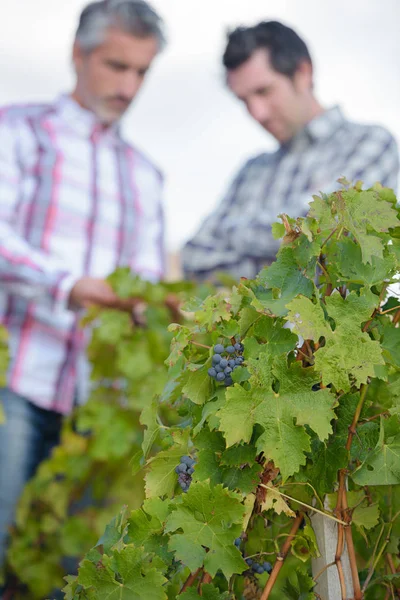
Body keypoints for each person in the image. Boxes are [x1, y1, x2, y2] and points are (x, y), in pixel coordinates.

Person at [0, 0, 166, 581]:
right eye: (116, 65)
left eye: (141, 72)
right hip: (15, 379)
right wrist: (70, 285)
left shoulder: (145, 174)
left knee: (80, 570)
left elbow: (144, 278)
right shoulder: (17, 130)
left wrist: (155, 306)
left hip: (101, 405)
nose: (128, 85)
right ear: (78, 54)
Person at [182, 21, 399, 282]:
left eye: (264, 91)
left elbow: (325, 234)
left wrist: (231, 233)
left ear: (303, 73)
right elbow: (193, 259)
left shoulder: (370, 143)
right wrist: (293, 247)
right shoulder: (252, 170)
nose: (257, 113)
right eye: (244, 101)